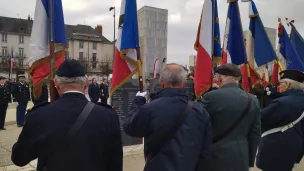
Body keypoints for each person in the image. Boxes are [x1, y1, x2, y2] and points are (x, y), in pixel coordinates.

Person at [11, 59, 122, 171]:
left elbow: (19, 159)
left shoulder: (38, 115)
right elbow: (115, 164)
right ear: (85, 84)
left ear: (56, 84)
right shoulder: (108, 116)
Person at [124, 63, 212, 171]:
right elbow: (206, 152)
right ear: (184, 83)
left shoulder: (150, 109)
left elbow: (130, 127)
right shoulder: (200, 111)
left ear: (161, 83)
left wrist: (138, 101)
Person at [200, 64, 261, 171]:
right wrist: (250, 161)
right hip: (241, 157)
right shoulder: (252, 100)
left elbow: (199, 127)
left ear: (219, 78)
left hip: (214, 158)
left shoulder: (211, 97)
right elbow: (255, 133)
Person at [256, 70, 304, 171]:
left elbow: (259, 120)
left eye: (280, 83)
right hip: (296, 148)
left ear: (287, 84)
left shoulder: (281, 103)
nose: (279, 86)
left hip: (276, 150)